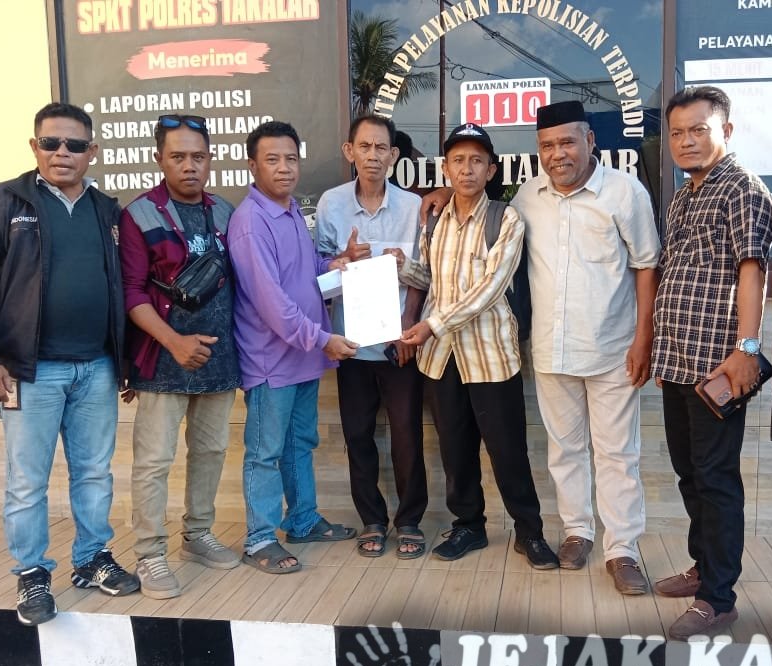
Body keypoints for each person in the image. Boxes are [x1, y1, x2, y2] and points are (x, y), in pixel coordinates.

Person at [0, 102, 139, 626]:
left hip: (96, 367)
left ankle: (91, 559)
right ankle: (32, 571)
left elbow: (122, 287)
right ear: (34, 147)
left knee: (94, 472)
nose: (62, 153)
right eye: (51, 143)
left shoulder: (107, 210)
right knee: (27, 480)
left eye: (74, 145)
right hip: (27, 371)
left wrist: (126, 362)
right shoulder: (2, 202)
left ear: (91, 151)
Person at [511, 100, 660, 594]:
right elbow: (490, 221)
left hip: (614, 351)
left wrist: (643, 338)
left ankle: (623, 550)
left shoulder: (625, 192)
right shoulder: (527, 196)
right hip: (551, 350)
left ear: (590, 141)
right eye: (547, 145)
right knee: (565, 450)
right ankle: (577, 531)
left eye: (567, 142)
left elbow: (646, 265)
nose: (558, 154)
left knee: (617, 455)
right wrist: (445, 193)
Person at [399, 122, 559, 570]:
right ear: (445, 169)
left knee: (508, 451)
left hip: (490, 355)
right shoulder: (434, 219)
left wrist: (432, 324)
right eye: (457, 160)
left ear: (490, 170)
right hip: (441, 358)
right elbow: (429, 277)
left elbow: (490, 288)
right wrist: (399, 266)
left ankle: (529, 532)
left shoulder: (505, 220)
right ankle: (468, 525)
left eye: (476, 160)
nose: (466, 169)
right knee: (455, 450)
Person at [650, 86, 772, 640]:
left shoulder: (742, 189)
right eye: (677, 132)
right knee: (690, 473)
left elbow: (753, 270)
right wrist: (661, 351)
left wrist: (747, 349)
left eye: (698, 130)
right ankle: (704, 567)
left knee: (717, 479)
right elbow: (676, 273)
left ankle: (718, 599)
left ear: (725, 130)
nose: (686, 141)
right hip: (679, 361)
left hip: (718, 367)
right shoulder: (682, 196)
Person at [120, 114, 241, 599]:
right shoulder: (139, 215)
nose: (189, 166)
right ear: (159, 159)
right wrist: (174, 342)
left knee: (210, 452)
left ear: (210, 160)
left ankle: (197, 535)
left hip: (219, 358)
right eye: (178, 157)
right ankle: (150, 554)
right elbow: (131, 292)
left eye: (198, 156)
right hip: (162, 360)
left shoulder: (226, 212)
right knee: (154, 462)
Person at [228, 120, 358, 574]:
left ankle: (302, 520)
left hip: (302, 359)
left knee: (300, 442)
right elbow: (273, 304)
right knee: (264, 452)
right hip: (270, 362)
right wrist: (324, 339)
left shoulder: (290, 212)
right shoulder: (251, 222)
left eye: (291, 158)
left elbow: (306, 272)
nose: (284, 168)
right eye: (272, 159)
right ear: (253, 166)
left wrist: (339, 264)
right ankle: (259, 539)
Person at [315, 115, 428, 558]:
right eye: (365, 146)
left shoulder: (413, 207)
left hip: (400, 344)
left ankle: (410, 520)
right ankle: (372, 520)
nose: (373, 156)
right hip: (352, 344)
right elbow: (319, 275)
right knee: (358, 435)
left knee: (406, 436)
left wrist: (408, 324)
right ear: (350, 151)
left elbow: (426, 276)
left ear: (394, 155)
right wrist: (342, 259)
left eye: (382, 147)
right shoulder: (331, 205)